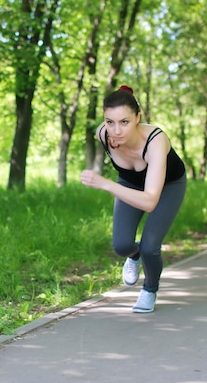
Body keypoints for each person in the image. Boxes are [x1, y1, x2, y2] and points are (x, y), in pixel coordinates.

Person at [80, 85, 186, 313]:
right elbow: (111, 136)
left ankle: (149, 289)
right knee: (121, 245)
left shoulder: (156, 140)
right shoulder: (103, 134)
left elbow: (149, 202)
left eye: (124, 122)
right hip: (130, 183)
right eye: (110, 122)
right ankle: (134, 255)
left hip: (167, 187)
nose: (116, 130)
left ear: (138, 117)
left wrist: (105, 184)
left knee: (150, 247)